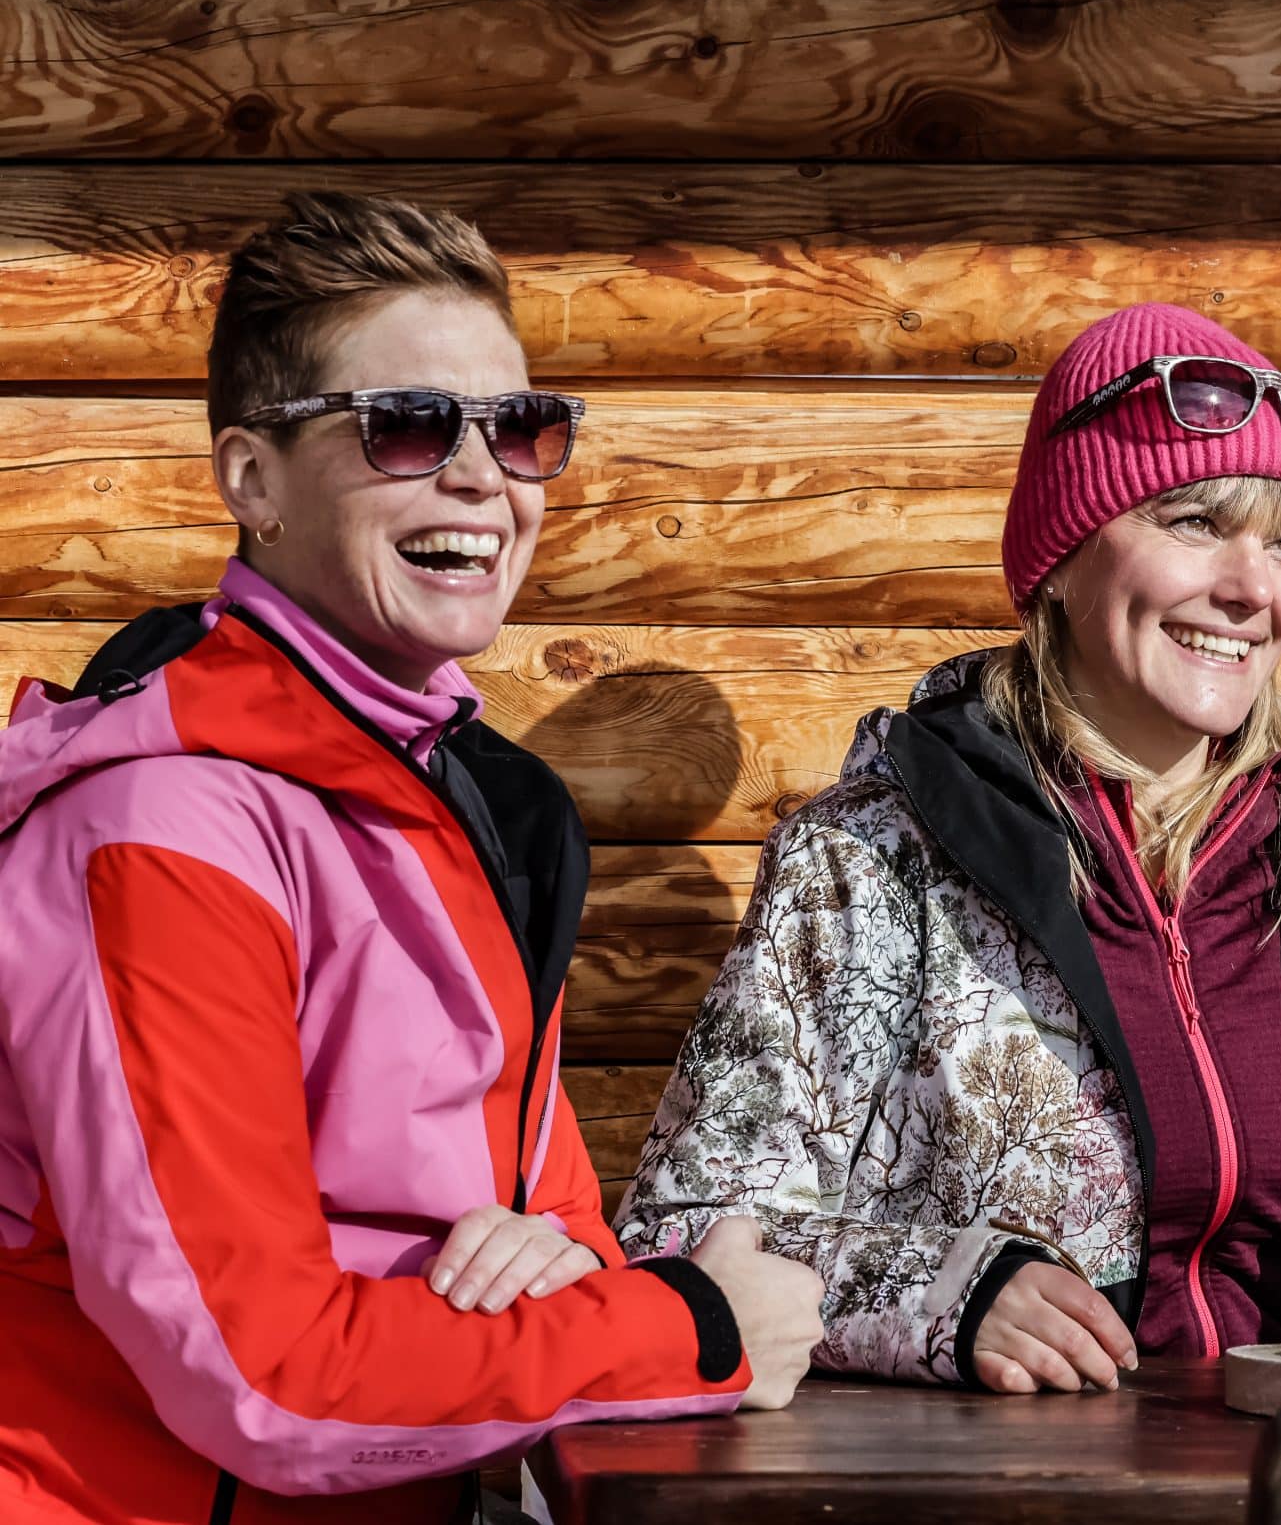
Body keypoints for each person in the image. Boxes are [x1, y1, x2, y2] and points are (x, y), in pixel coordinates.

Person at [0, 193, 820, 1525]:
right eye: (408, 424)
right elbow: (263, 1376)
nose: (482, 474)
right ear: (251, 479)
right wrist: (692, 1329)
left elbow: (559, 1237)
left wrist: (564, 1273)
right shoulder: (161, 830)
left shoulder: (457, 804)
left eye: (522, 427)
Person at [619, 302, 1281, 1392]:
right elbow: (687, 1236)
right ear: (1060, 556)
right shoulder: (878, 856)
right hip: (1010, 1488)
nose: (1253, 589)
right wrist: (947, 1298)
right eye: (1195, 522)